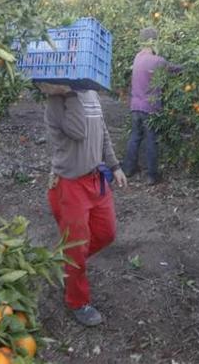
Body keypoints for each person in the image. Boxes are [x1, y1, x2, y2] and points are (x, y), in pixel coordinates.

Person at [39, 82, 127, 327]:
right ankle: (77, 301)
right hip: (69, 184)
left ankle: (63, 267)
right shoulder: (56, 102)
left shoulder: (90, 93)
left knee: (106, 233)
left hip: (95, 178)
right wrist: (67, 92)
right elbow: (77, 131)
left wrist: (114, 165)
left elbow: (102, 131)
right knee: (76, 248)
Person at [122, 27, 179, 185]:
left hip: (135, 106)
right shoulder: (158, 61)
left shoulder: (137, 58)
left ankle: (128, 169)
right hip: (150, 108)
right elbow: (173, 69)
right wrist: (190, 66)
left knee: (134, 137)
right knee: (151, 140)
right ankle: (151, 175)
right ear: (154, 42)